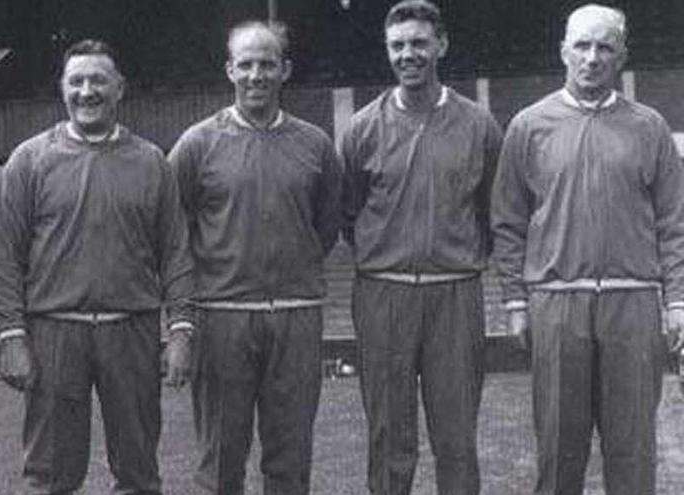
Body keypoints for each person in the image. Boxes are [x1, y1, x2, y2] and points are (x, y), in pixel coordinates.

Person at [492, 4, 684, 494]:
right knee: (559, 449)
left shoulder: (650, 127)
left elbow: (674, 221)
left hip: (633, 300)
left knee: (633, 449)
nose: (592, 57)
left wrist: (678, 299)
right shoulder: (528, 125)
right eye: (582, 45)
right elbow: (508, 221)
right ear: (564, 51)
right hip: (557, 301)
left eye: (604, 47)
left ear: (622, 55)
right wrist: (516, 299)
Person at [0, 39, 194, 495]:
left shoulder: (152, 162)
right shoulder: (30, 160)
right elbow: (4, 257)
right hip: (55, 333)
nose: (87, 91)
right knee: (50, 476)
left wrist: (180, 330)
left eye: (98, 80)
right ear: (61, 88)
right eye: (76, 81)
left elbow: (176, 253)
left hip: (132, 330)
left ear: (120, 88)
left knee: (139, 472)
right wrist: (11, 336)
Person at [167, 20, 341, 495]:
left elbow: (325, 226)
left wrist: (290, 267)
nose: (256, 75)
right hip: (222, 318)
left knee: (290, 460)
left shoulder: (316, 145)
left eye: (267, 64)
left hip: (295, 316)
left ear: (286, 70)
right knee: (221, 461)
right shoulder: (197, 144)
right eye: (246, 64)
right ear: (229, 70)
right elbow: (171, 233)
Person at [339, 1, 502, 493]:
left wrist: (453, 254)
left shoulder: (478, 125)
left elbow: (492, 212)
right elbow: (350, 214)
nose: (408, 54)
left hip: (454, 292)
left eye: (418, 43)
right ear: (388, 51)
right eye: (398, 45)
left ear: (441, 45)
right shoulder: (363, 128)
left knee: (455, 437)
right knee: (389, 436)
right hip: (383, 293)